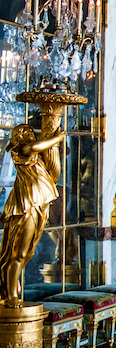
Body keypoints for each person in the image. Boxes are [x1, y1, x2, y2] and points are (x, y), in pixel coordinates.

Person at [0, 123, 65, 307]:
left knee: (27, 253)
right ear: (19, 136)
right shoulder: (22, 150)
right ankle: (11, 295)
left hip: (38, 205)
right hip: (26, 206)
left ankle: (9, 288)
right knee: (18, 253)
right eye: (27, 132)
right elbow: (36, 146)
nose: (31, 134)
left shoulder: (34, 156)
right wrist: (56, 139)